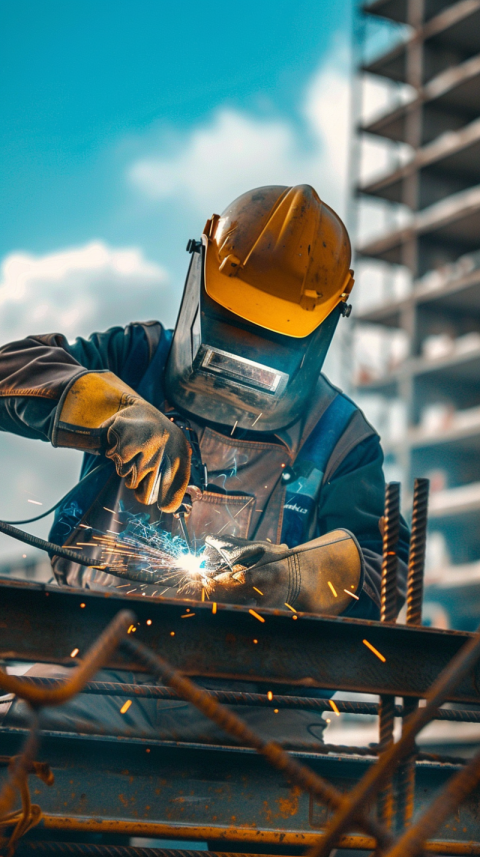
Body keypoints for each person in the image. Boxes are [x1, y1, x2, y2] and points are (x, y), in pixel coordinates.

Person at [0, 184, 409, 745]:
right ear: (202, 287)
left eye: (271, 343)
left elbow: (387, 569)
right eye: (235, 328)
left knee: (290, 799)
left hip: (256, 692)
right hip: (98, 655)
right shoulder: (136, 360)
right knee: (27, 742)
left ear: (321, 329)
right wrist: (111, 409)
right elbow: (11, 369)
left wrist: (299, 575)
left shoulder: (340, 437)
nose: (247, 359)